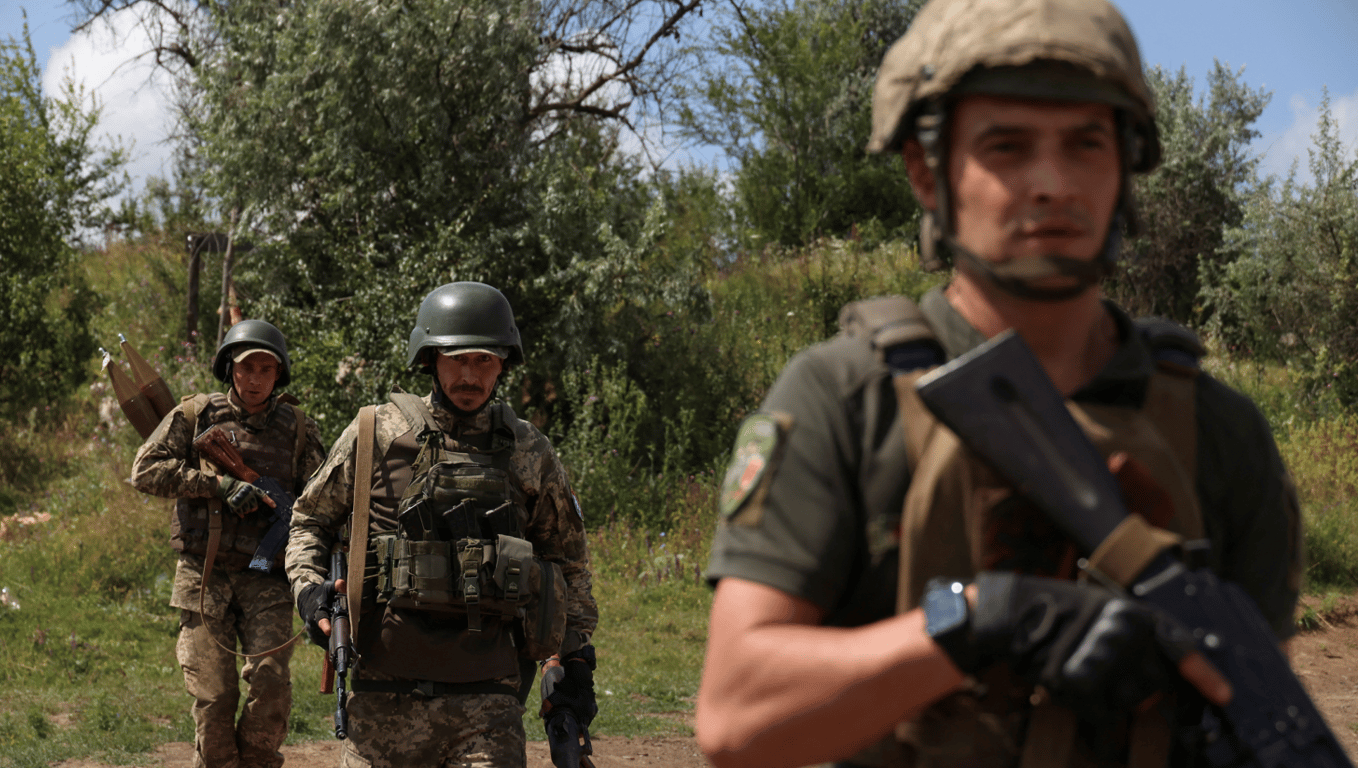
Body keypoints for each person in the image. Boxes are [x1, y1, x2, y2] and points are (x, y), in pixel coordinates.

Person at [694, 0, 1303, 766]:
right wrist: (984, 619)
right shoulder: (846, 400)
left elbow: (1260, 705)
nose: (1052, 183)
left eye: (1086, 144)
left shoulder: (1216, 429)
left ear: (1125, 166)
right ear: (927, 171)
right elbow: (736, 716)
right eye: (1006, 147)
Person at [285, 281, 599, 767]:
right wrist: (309, 591)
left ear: (503, 364)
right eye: (457, 359)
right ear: (430, 358)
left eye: (484, 361)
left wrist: (576, 662)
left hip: (488, 707)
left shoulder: (528, 451)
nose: (470, 375)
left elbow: (568, 562)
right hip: (379, 704)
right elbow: (309, 519)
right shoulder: (375, 433)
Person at [132, 319, 325, 768]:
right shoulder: (195, 414)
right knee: (214, 697)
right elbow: (145, 471)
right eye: (245, 368)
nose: (255, 379)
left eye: (265, 369)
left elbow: (320, 499)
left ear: (279, 374)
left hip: (269, 578)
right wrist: (215, 486)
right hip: (205, 573)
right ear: (228, 369)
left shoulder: (298, 428)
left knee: (272, 686)